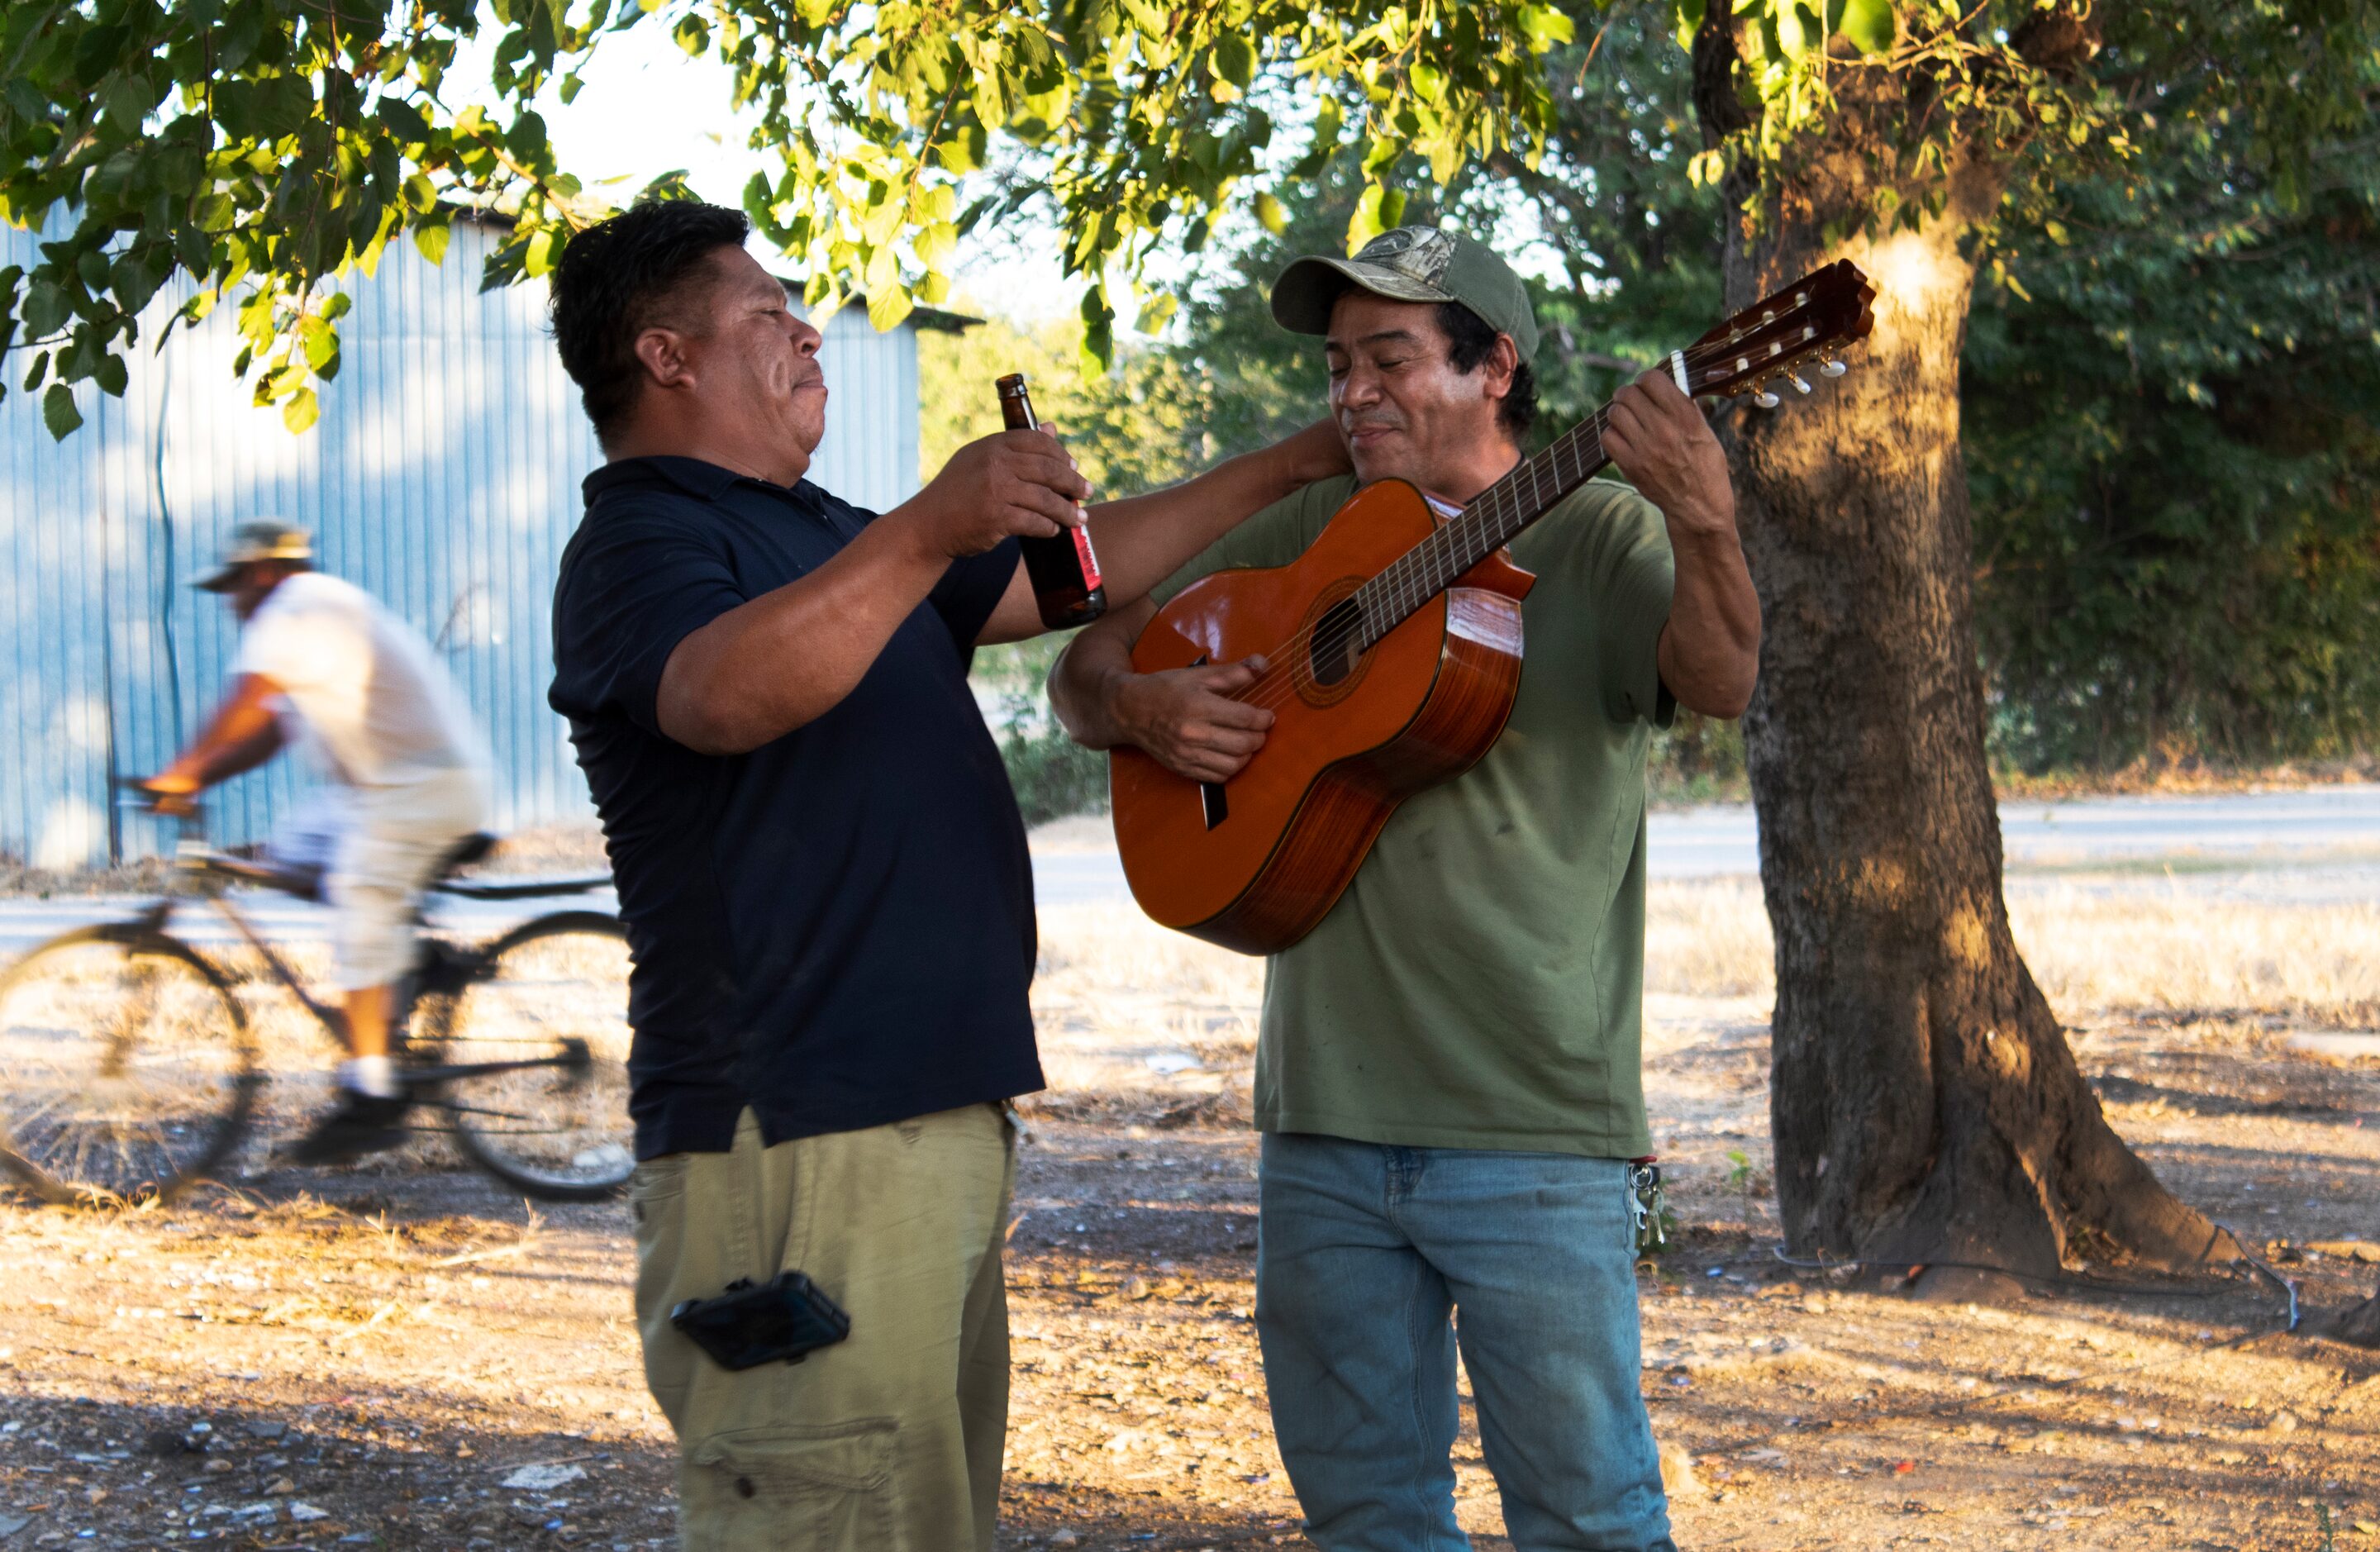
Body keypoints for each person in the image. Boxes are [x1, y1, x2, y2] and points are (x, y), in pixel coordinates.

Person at [542, 198, 1349, 1551]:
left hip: (926, 1115)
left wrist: (1292, 467)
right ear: (667, 356)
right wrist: (927, 524)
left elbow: (1068, 584)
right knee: (827, 1512)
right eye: (765, 315)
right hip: (797, 1131)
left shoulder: (814, 530)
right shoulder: (641, 544)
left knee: (925, 1516)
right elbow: (722, 695)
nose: (807, 332)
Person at [1048, 226, 1761, 1552]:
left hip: (1534, 1123)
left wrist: (1708, 521)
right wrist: (1141, 706)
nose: (1352, 392)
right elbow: (1081, 663)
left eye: (1390, 358)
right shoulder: (1317, 523)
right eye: (1338, 365)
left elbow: (1719, 680)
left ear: (1495, 366)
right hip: (1320, 1118)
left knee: (1591, 1516)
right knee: (1367, 1514)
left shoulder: (1601, 529)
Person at [143, 520, 493, 1164]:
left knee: (359, 886)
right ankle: (404, 967)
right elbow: (266, 735)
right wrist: (196, 777)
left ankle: (372, 1093)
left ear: (264, 574)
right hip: (382, 788)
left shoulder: (299, 607)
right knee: (291, 852)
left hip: (427, 785)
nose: (230, 602)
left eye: (234, 586)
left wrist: (184, 771)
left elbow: (248, 702)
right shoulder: (307, 619)